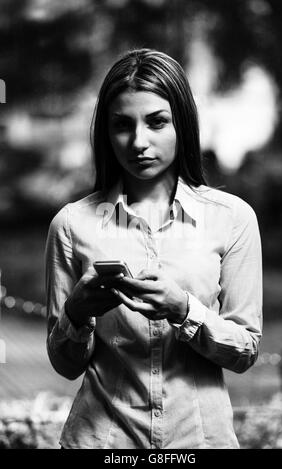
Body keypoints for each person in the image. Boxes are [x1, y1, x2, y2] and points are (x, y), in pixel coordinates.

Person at [45, 48, 263, 449]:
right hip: (102, 443)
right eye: (122, 125)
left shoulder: (232, 219)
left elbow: (245, 351)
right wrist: (76, 312)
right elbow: (65, 366)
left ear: (182, 123)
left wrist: (184, 309)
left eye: (157, 122)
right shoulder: (72, 224)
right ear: (106, 134)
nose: (138, 142)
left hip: (200, 441)